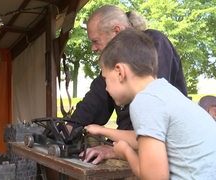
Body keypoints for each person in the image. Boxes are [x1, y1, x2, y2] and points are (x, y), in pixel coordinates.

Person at [86, 28, 216, 179]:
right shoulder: (164, 92)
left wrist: (126, 152)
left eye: (106, 78)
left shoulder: (144, 102)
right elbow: (145, 137)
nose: (106, 88)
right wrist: (103, 131)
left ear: (120, 72)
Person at [66, 5, 188, 164]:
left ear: (116, 31)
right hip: (138, 142)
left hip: (168, 156)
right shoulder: (116, 62)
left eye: (96, 41)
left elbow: (154, 129)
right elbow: (97, 98)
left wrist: (117, 150)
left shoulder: (153, 44)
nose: (93, 48)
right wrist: (70, 126)